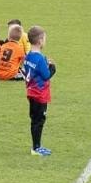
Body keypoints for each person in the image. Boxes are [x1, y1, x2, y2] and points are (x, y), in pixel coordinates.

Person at [24, 25, 55, 156]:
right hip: (40, 94)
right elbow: (46, 75)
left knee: (34, 119)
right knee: (39, 120)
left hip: (31, 92)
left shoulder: (28, 56)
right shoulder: (40, 58)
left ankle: (36, 146)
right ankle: (36, 147)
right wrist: (53, 67)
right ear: (40, 41)